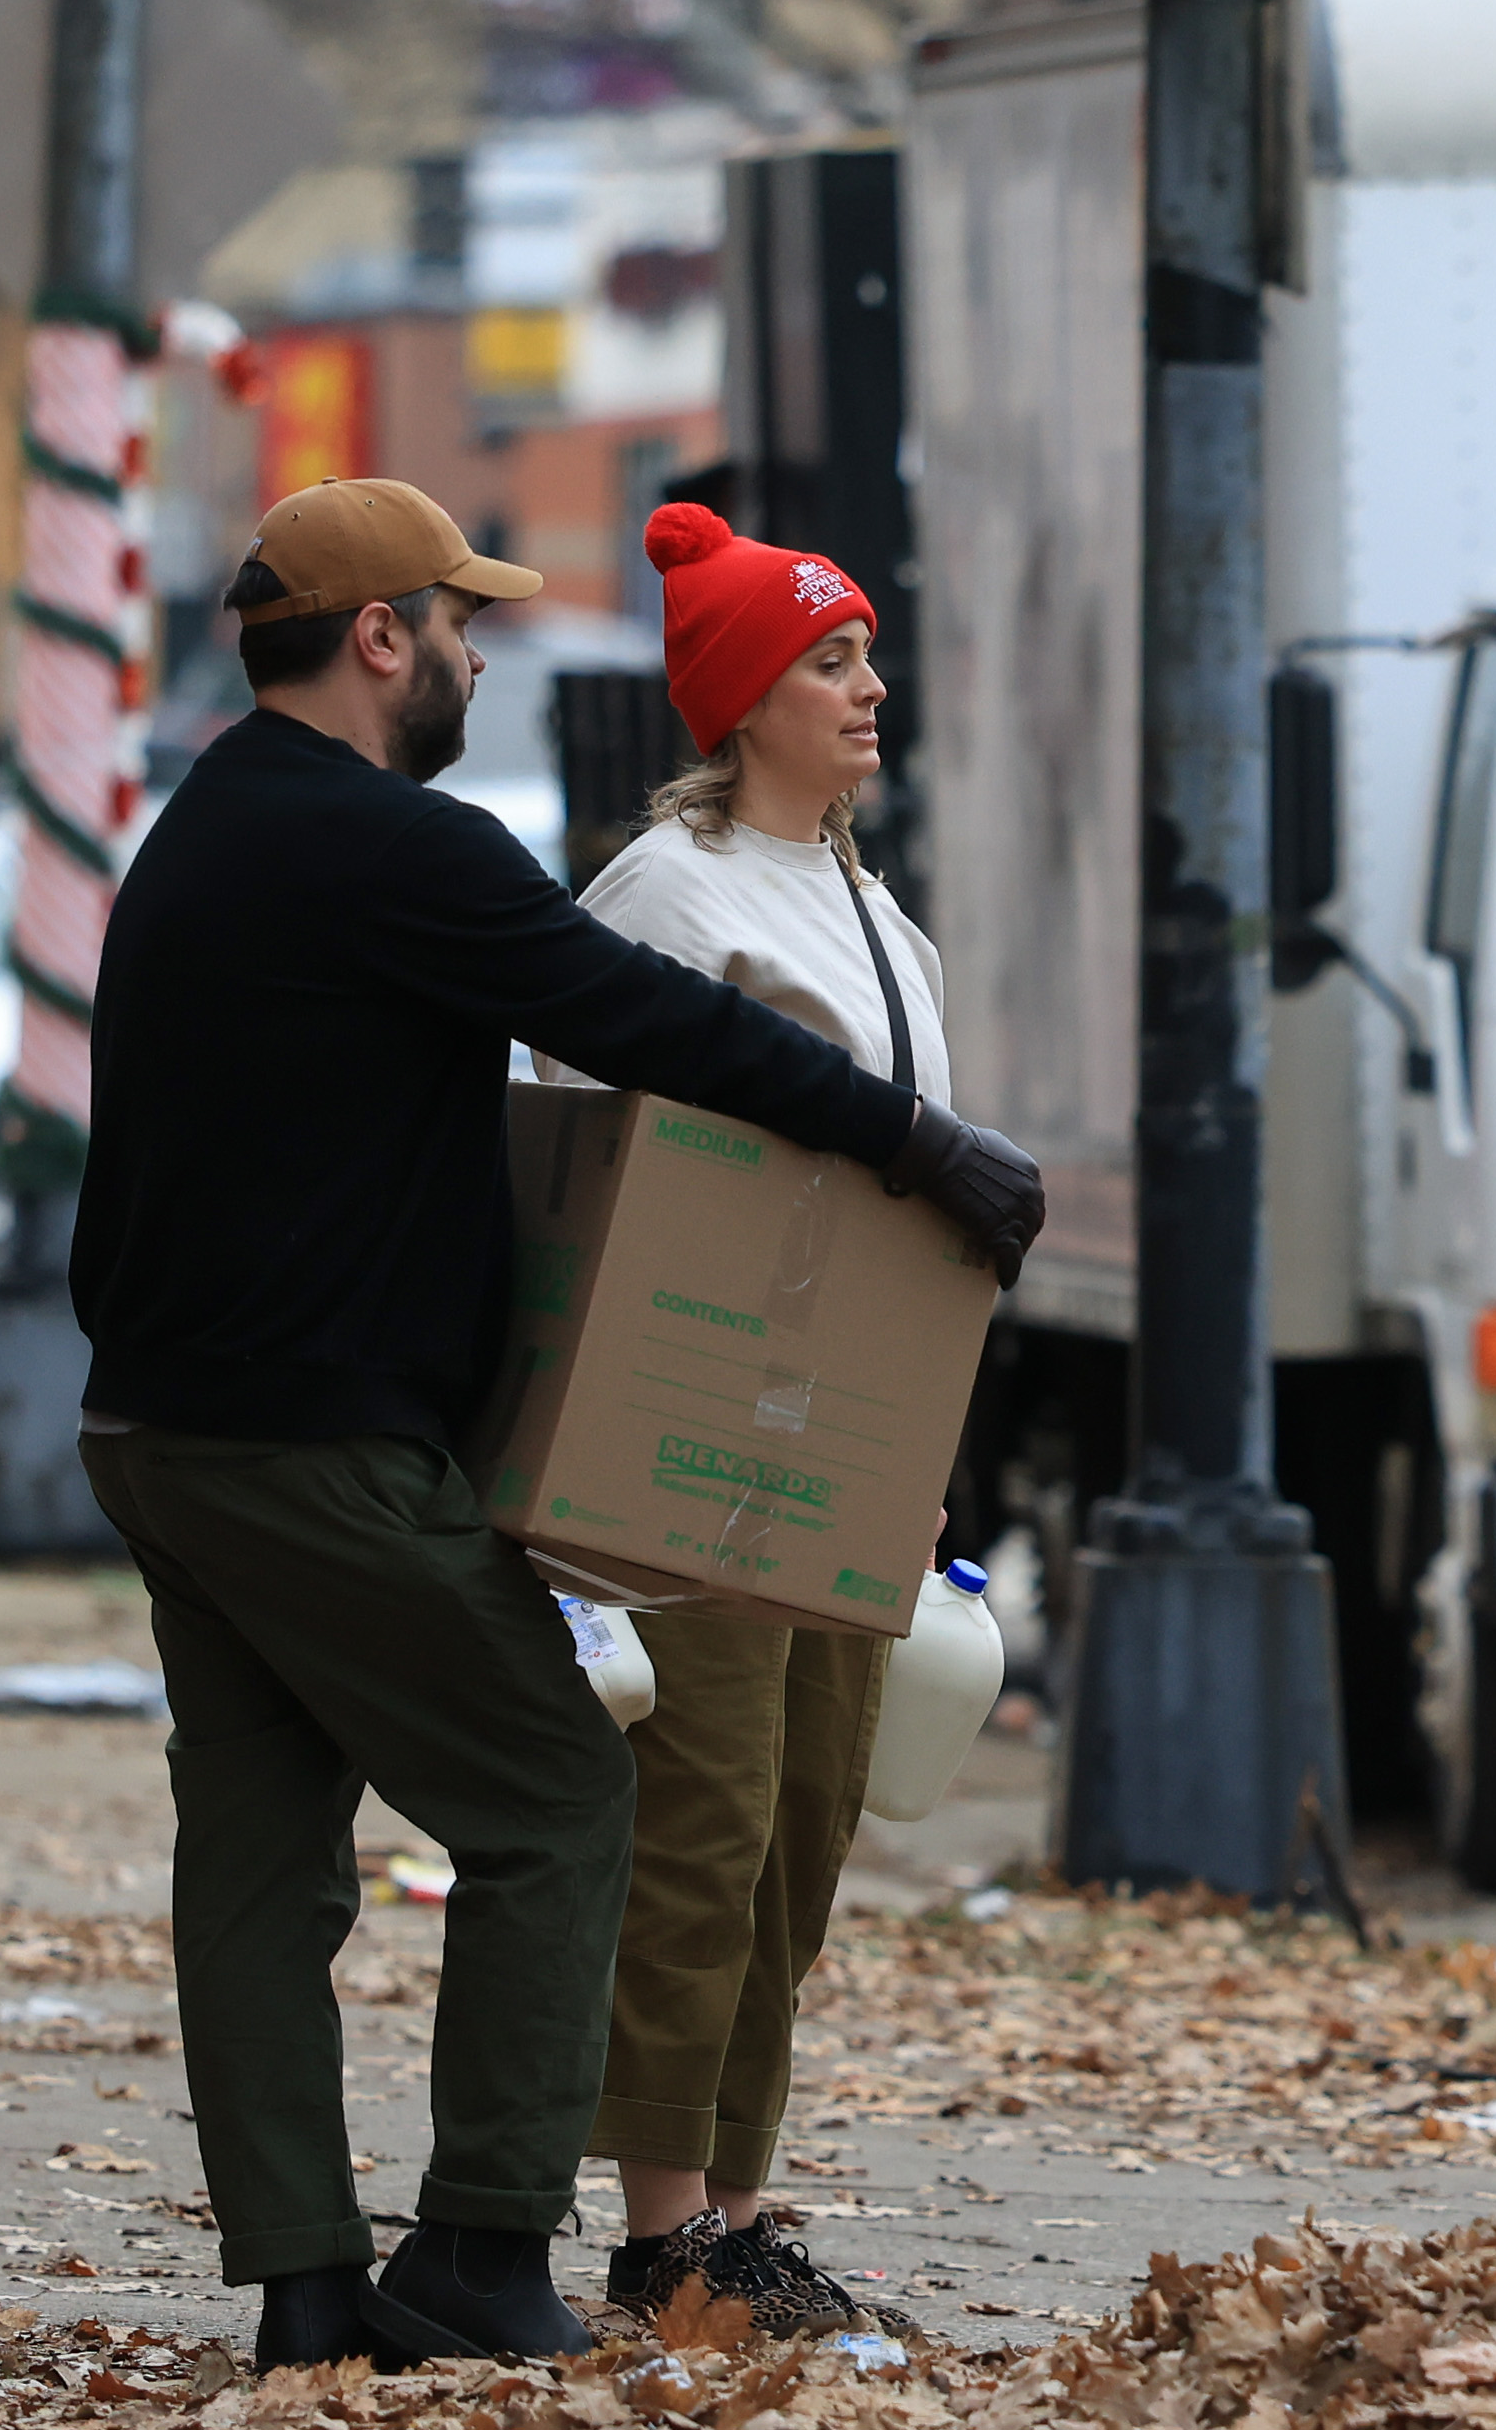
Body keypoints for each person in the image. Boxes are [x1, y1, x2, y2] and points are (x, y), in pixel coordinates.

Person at [72, 478, 1043, 2376]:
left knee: (265, 1861)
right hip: (316, 1445)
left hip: (162, 1429)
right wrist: (919, 1141)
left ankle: (300, 2288)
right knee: (560, 1797)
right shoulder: (392, 843)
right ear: (378, 640)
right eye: (456, 622)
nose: (476, 652)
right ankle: (484, 2249)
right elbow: (649, 1018)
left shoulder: (200, 828)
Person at [536, 505, 941, 2335]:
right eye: (831, 660)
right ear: (741, 698)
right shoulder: (661, 898)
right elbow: (605, 1161)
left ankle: (746, 2206)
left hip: (849, 1421)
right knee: (700, 1815)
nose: (870, 686)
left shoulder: (881, 918)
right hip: (695, 1416)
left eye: (864, 654)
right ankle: (659, 2225)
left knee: (807, 1816)